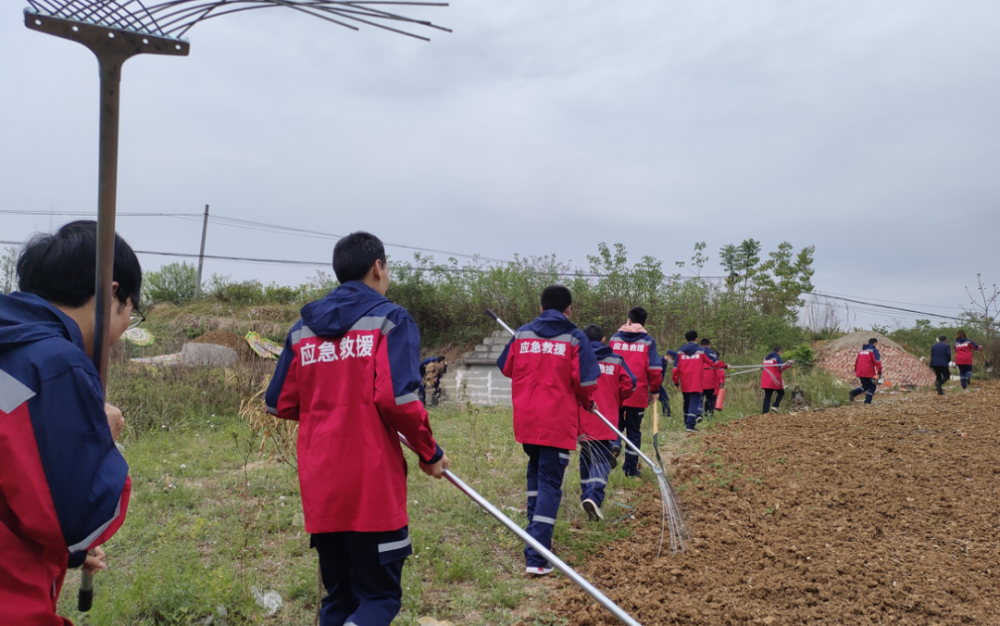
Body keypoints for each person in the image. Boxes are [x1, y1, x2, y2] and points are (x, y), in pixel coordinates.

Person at [265, 232, 450, 626]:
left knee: (339, 598)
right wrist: (429, 453)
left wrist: (329, 405)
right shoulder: (390, 319)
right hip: (371, 485)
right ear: (378, 267)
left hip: (322, 485)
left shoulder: (302, 329)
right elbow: (397, 399)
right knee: (380, 597)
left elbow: (279, 401)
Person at [0, 221, 135, 626]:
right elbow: (83, 516)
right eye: (132, 311)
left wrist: (72, 554)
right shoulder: (54, 363)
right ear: (113, 295)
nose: (125, 326)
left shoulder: (13, 353)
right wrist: (102, 439)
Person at [497, 285, 599, 575]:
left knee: (536, 473)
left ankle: (536, 537)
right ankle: (537, 557)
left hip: (528, 420)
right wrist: (587, 402)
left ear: (541, 308)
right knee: (550, 485)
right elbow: (586, 383)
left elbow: (506, 367)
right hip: (555, 422)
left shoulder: (522, 334)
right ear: (568, 310)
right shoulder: (575, 337)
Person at [577, 324, 636, 521]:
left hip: (582, 417)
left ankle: (586, 495)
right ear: (604, 339)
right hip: (606, 418)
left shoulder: (578, 358)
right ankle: (593, 497)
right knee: (602, 460)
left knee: (586, 455)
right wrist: (615, 397)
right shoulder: (615, 359)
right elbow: (630, 383)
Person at [608, 307, 663, 476]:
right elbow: (654, 368)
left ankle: (614, 444)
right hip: (637, 393)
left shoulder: (614, 339)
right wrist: (654, 390)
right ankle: (631, 469)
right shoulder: (648, 342)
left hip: (615, 392)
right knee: (633, 431)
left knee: (615, 425)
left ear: (629, 320)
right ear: (644, 322)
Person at [673, 330, 719, 432]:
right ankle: (690, 425)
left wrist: (676, 382)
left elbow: (675, 369)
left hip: (685, 382)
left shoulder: (680, 352)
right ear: (696, 339)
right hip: (696, 382)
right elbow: (712, 363)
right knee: (694, 402)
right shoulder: (701, 351)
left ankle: (686, 422)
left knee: (686, 402)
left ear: (685, 340)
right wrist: (724, 365)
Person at [699, 339, 728, 418]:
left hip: (700, 384)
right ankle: (710, 416)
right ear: (709, 345)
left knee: (700, 400)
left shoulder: (699, 358)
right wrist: (721, 382)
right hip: (711, 385)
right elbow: (719, 373)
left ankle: (702, 413)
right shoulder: (714, 362)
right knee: (711, 400)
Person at [760, 346, 793, 414]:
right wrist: (789, 364)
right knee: (781, 393)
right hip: (774, 380)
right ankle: (775, 405)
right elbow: (780, 368)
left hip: (765, 380)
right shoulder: (777, 358)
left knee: (767, 396)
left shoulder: (765, 358)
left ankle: (765, 412)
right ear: (779, 351)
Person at [849, 338, 882, 404]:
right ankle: (867, 401)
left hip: (860, 371)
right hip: (869, 372)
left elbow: (857, 362)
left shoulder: (861, 350)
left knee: (865, 386)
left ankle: (853, 393)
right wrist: (879, 372)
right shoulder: (873, 350)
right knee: (873, 386)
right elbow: (877, 362)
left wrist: (856, 371)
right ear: (875, 343)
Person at [656, 351, 677, 417]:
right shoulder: (659, 362)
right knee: (664, 399)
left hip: (658, 384)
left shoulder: (664, 362)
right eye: (672, 358)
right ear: (669, 356)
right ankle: (667, 415)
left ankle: (667, 415)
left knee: (665, 399)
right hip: (655, 384)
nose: (672, 360)